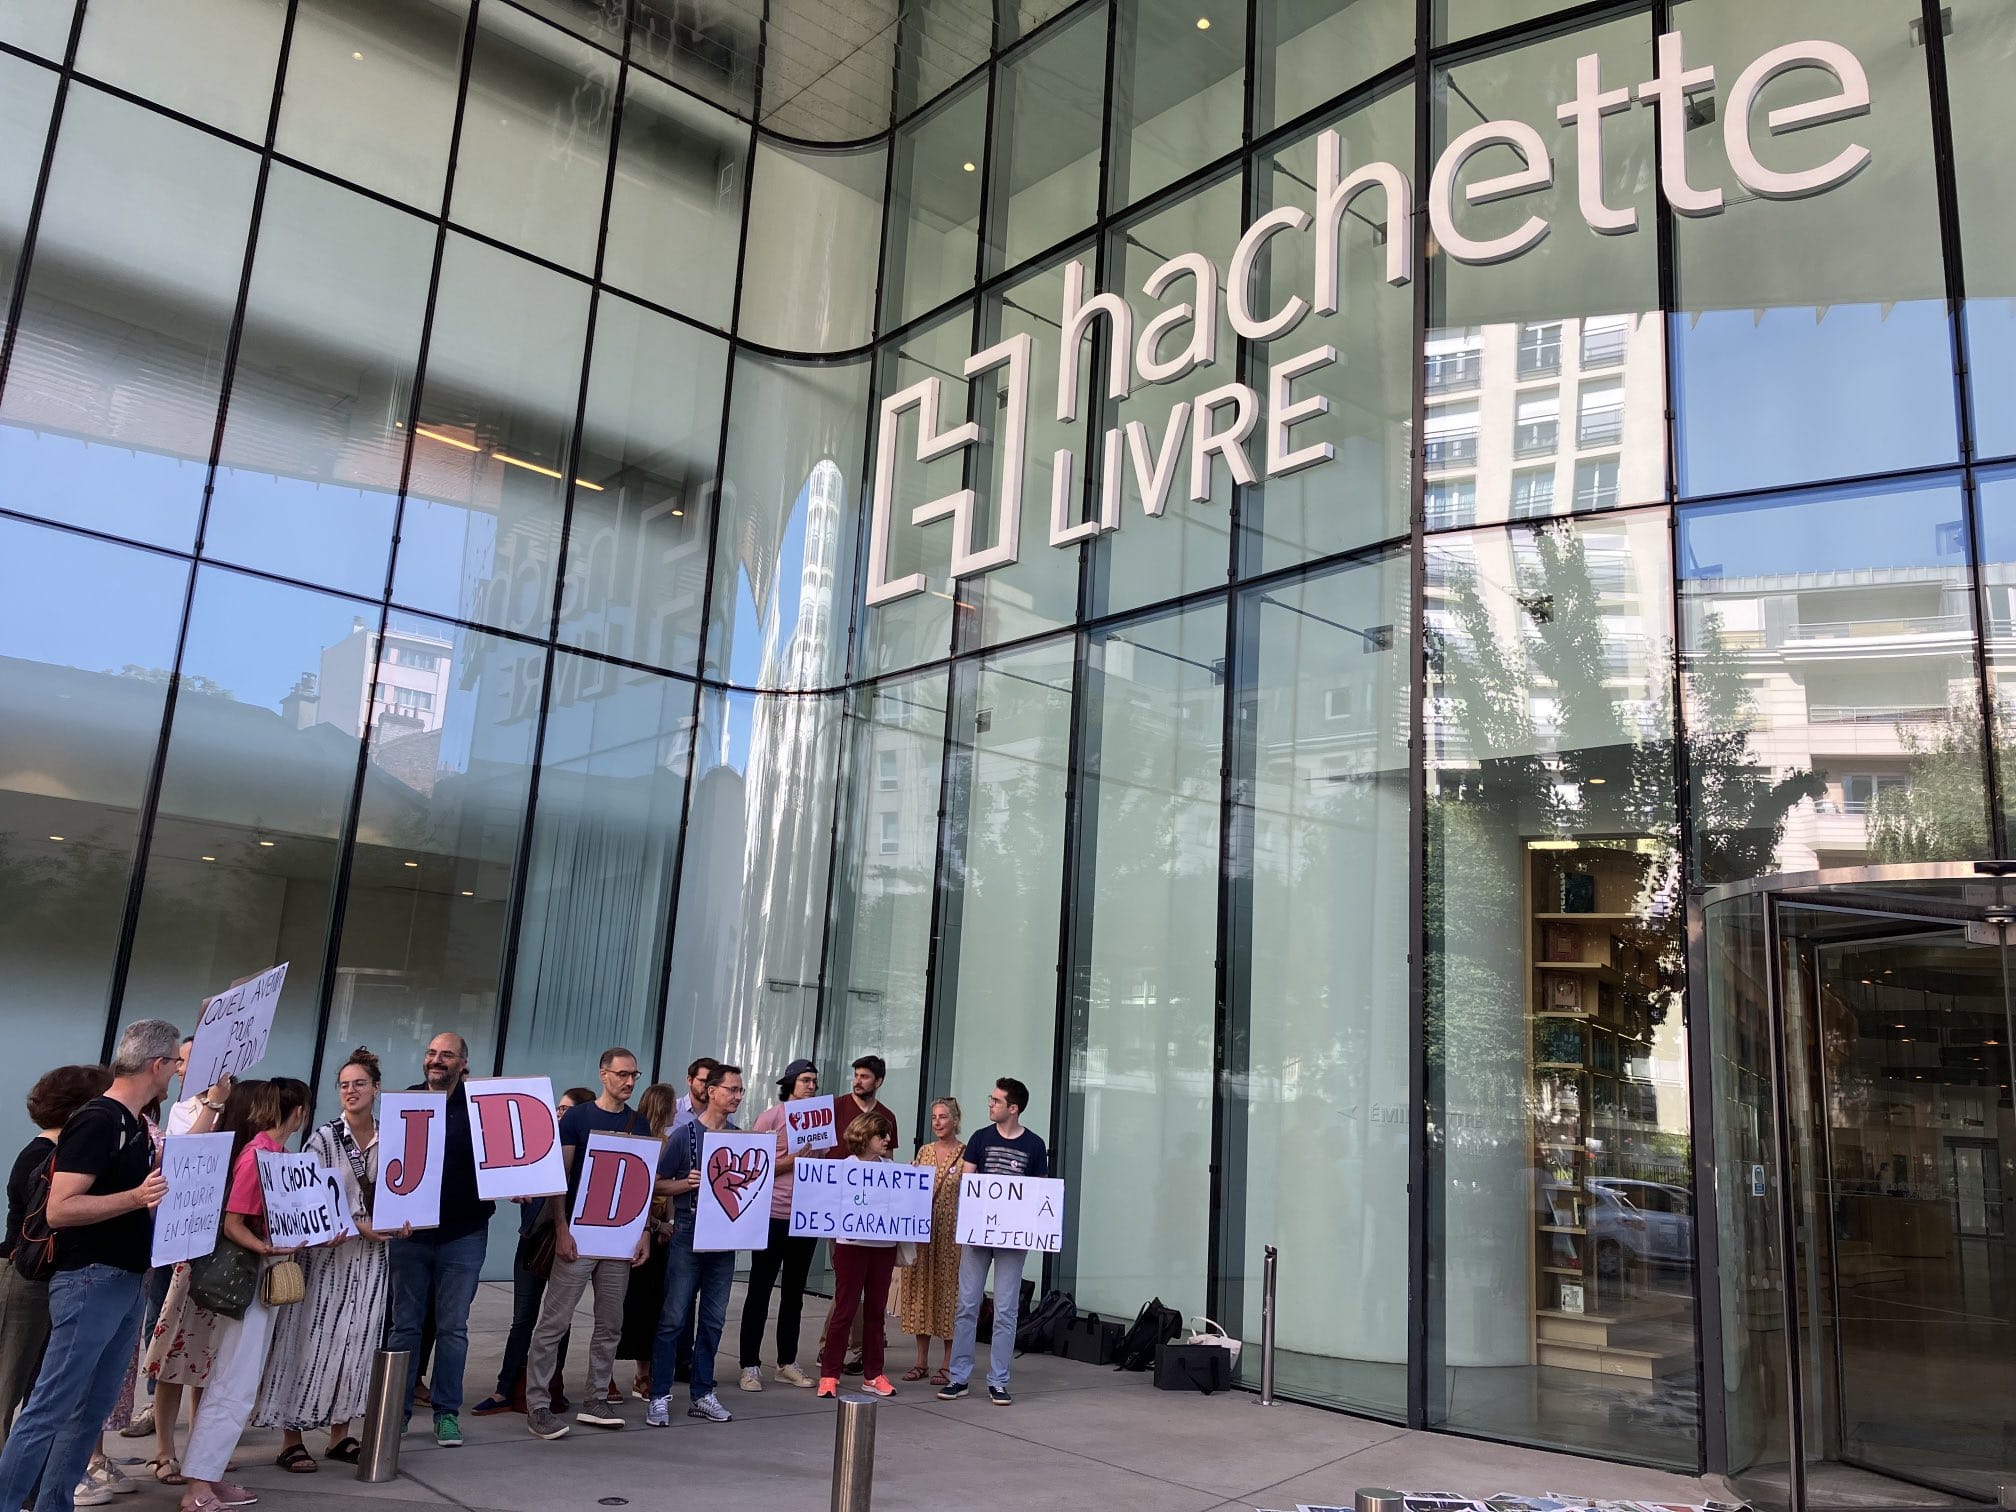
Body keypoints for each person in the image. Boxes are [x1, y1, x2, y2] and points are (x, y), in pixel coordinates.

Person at [0, 1019, 176, 1512]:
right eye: (173, 1064)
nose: (175, 1074)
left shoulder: (133, 1124)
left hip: (123, 1280)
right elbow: (60, 1208)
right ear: (156, 1064)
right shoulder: (99, 1119)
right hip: (91, 1278)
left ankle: (53, 1502)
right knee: (51, 1405)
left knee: (89, 1409)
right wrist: (136, 1197)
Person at [256, 1048, 409, 1470]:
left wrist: (405, 1220)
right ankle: (292, 1436)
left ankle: (340, 1434)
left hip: (373, 1258)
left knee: (357, 1343)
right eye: (344, 1085)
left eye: (359, 1083)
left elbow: (405, 1189)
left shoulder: (392, 1136)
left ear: (376, 1088)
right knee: (309, 1339)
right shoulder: (324, 1138)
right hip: (328, 1256)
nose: (351, 1091)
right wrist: (359, 1224)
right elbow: (310, 1197)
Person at [177, 1078, 308, 1512]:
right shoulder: (259, 1156)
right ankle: (198, 1484)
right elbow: (234, 1222)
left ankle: (207, 1478)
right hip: (251, 1279)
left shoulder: (275, 1155)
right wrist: (268, 1248)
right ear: (298, 1113)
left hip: (263, 1276)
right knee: (233, 1380)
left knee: (239, 1380)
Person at [525, 1048, 650, 1441]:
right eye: (622, 1074)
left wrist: (643, 1230)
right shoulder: (577, 1118)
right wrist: (562, 1228)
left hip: (618, 1240)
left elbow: (641, 1183)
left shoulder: (639, 1122)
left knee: (610, 1323)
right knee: (553, 1323)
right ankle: (538, 1406)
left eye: (634, 1075)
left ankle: (596, 1397)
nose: (629, 1082)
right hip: (579, 1236)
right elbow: (560, 1177)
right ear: (603, 1075)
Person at [385, 1032, 494, 1448]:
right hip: (410, 1234)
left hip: (464, 1233)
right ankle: (396, 1412)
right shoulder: (405, 1102)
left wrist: (516, 1181)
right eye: (431, 1053)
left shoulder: (483, 1108)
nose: (436, 1060)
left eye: (446, 1055)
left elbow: (504, 1160)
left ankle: (446, 1413)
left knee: (453, 1328)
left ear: (463, 1063)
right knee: (404, 1327)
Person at [0, 1065, 113, 1449]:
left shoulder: (53, 1153)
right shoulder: (45, 1156)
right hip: (23, 1278)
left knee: (36, 1388)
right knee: (8, 1386)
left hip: (40, 1279)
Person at [474, 1085, 591, 1417]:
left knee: (559, 1321)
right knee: (522, 1318)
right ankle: (505, 1389)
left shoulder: (581, 1154)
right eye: (558, 1107)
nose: (559, 1114)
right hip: (532, 1240)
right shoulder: (540, 1146)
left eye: (567, 1109)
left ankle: (552, 1388)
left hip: (566, 1243)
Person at [142, 1067, 234, 1486]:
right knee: (170, 1351)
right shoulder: (182, 1112)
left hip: (213, 1250)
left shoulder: (234, 1108)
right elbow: (185, 1157)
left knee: (206, 1355)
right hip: (178, 1247)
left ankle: (202, 1446)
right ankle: (164, 1449)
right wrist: (213, 1104)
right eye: (184, 1061)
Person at [939, 1077, 1048, 1408]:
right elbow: (969, 1183)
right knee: (967, 1304)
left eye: (996, 1101)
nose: (990, 1104)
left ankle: (998, 1380)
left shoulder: (1034, 1145)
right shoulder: (980, 1138)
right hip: (978, 1235)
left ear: (1012, 1109)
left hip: (1012, 1240)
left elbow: (1038, 1194)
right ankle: (958, 1376)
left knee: (1005, 1309)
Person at [645, 1064, 744, 1427]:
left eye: (739, 1090)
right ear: (712, 1091)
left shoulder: (739, 1138)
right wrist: (685, 1184)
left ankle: (702, 1392)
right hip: (688, 1229)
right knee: (673, 1317)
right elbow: (655, 1183)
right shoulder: (685, 1135)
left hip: (725, 1235)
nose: (736, 1096)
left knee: (714, 1320)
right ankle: (659, 1394)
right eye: (731, 1089)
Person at [734, 1059, 820, 1392]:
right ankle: (749, 1364)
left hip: (805, 1217)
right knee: (759, 1290)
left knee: (795, 1293)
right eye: (805, 1080)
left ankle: (787, 1360)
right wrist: (793, 1161)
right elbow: (755, 1165)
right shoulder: (771, 1117)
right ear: (790, 1084)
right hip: (771, 1215)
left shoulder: (820, 1122)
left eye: (814, 1080)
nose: (811, 1086)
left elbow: (822, 1163)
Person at [816, 1111, 901, 1400]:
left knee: (876, 1312)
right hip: (851, 1246)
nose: (888, 1140)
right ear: (865, 1138)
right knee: (845, 1309)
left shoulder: (892, 1170)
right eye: (882, 1135)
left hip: (883, 1247)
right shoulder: (843, 1169)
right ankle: (829, 1373)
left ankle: (873, 1374)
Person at [823, 1056, 898, 1373]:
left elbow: (890, 1166)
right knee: (847, 1289)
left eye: (865, 1076)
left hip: (877, 1223)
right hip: (841, 1211)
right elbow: (819, 1151)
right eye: (856, 1075)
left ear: (878, 1081)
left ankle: (861, 1354)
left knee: (870, 1299)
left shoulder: (888, 1117)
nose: (858, 1080)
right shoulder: (836, 1108)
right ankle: (831, 1351)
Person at [615, 1082, 680, 1402]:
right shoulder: (639, 1141)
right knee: (627, 1306)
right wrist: (656, 1223)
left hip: (658, 1234)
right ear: (663, 1108)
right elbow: (635, 1189)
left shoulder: (668, 1141)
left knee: (653, 1306)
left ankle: (645, 1372)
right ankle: (618, 1374)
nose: (677, 1111)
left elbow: (664, 1194)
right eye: (672, 1106)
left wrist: (666, 1223)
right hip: (632, 1231)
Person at [898, 1097, 964, 1384]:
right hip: (923, 1232)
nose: (937, 1122)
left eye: (943, 1117)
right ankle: (921, 1361)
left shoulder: (966, 1154)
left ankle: (948, 1363)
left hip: (952, 1234)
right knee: (920, 1292)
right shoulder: (924, 1152)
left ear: (956, 1120)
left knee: (949, 1293)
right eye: (934, 1117)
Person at [669, 1057, 718, 1133]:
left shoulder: (722, 1114)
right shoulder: (673, 1110)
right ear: (690, 1081)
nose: (707, 1086)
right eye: (703, 1081)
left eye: (712, 1082)